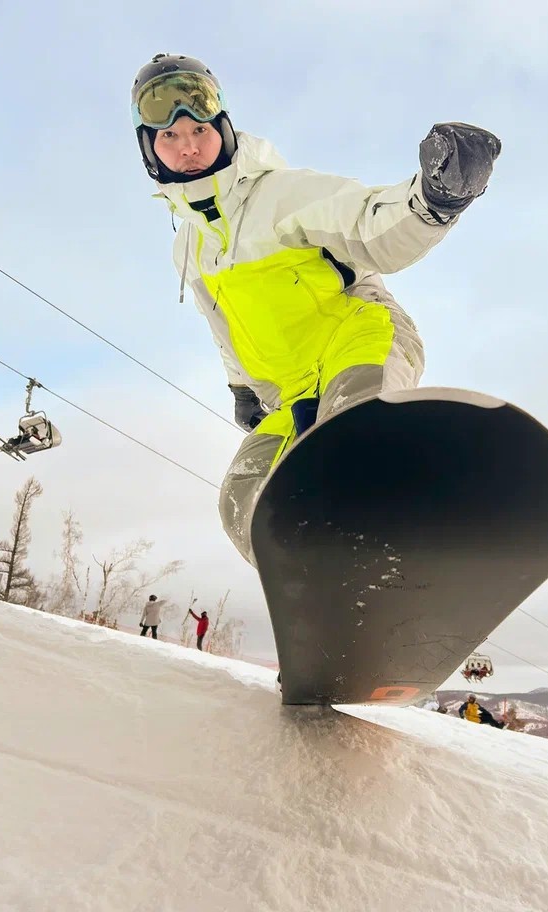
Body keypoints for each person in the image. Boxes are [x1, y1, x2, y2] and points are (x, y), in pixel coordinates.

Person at [131, 53, 501, 565]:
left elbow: (371, 224)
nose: (188, 146)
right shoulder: (188, 249)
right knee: (244, 503)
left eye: (199, 129)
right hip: (291, 393)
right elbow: (223, 327)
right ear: (149, 148)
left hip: (358, 341)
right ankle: (321, 587)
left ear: (224, 129)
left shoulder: (280, 195)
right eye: (169, 136)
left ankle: (417, 548)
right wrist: (242, 388)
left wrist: (434, 199)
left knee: (351, 442)